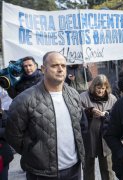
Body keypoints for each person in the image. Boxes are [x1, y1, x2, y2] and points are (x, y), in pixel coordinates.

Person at [5, 51, 87, 180]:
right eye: (55, 65)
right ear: (43, 69)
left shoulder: (74, 95)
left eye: (63, 66)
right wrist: (34, 152)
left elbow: (82, 127)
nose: (60, 69)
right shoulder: (24, 99)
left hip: (74, 169)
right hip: (41, 173)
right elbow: (13, 135)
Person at [80, 74, 117, 180]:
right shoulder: (83, 96)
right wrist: (89, 111)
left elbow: (116, 113)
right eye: (98, 88)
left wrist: (107, 113)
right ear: (93, 86)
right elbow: (77, 111)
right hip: (88, 137)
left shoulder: (112, 98)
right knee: (88, 167)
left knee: (107, 168)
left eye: (103, 88)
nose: (101, 91)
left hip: (105, 137)